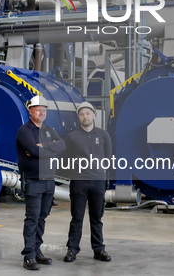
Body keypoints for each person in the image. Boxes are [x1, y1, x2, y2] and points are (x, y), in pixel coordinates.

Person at [16, 95, 66, 271]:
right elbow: (31, 149)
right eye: (38, 109)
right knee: (32, 219)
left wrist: (43, 147)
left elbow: (62, 146)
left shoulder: (48, 130)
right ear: (30, 111)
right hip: (33, 181)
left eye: (44, 110)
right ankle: (28, 256)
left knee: (42, 217)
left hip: (48, 181)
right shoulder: (25, 131)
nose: (41, 112)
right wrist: (46, 149)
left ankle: (37, 250)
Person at [63, 102, 112, 263]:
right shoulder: (72, 136)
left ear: (94, 115)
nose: (85, 116)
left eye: (88, 113)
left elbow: (108, 157)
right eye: (82, 114)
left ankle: (99, 249)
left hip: (98, 181)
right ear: (79, 117)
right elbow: (66, 157)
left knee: (96, 217)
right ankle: (72, 249)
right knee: (77, 217)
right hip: (78, 182)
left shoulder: (103, 135)